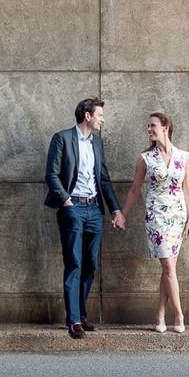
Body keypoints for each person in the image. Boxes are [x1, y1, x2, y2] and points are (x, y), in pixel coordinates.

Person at [44, 98, 125, 339]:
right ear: (87, 115)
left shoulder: (97, 144)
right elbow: (51, 175)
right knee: (75, 263)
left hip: (94, 211)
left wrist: (115, 210)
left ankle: (80, 313)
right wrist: (66, 202)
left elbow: (104, 180)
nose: (102, 119)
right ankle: (74, 320)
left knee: (90, 264)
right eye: (99, 114)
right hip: (73, 207)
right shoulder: (62, 139)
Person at [118, 112, 189, 332]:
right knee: (168, 266)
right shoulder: (145, 158)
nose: (149, 129)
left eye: (153, 125)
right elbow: (134, 190)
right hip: (156, 218)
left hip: (177, 217)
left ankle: (160, 316)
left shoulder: (184, 157)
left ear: (165, 127)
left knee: (168, 270)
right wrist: (123, 214)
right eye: (148, 126)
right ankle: (179, 315)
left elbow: (187, 190)